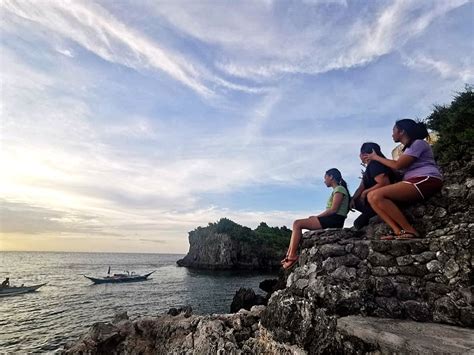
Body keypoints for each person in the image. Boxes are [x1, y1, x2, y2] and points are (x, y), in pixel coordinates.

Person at [364, 119, 443, 239]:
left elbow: (398, 165)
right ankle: (398, 231)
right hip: (413, 181)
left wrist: (376, 157)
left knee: (376, 195)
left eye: (394, 131)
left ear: (402, 132)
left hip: (426, 179)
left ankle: (410, 230)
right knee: (371, 197)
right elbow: (398, 169)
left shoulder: (418, 143)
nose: (392, 134)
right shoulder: (408, 149)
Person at [281, 168, 350, 269]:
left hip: (334, 220)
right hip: (333, 219)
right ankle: (289, 255)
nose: (324, 180)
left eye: (325, 177)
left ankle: (292, 256)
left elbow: (333, 210)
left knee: (297, 224)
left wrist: (316, 217)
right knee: (297, 224)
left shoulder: (339, 189)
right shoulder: (339, 189)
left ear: (331, 177)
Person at [350, 143, 395, 229]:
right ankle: (372, 213)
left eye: (360, 153)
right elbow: (361, 187)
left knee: (358, 224)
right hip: (373, 201)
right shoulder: (370, 167)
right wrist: (353, 199)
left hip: (380, 199)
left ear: (364, 154)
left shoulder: (375, 165)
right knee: (355, 206)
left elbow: (384, 183)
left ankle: (376, 213)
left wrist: (365, 193)